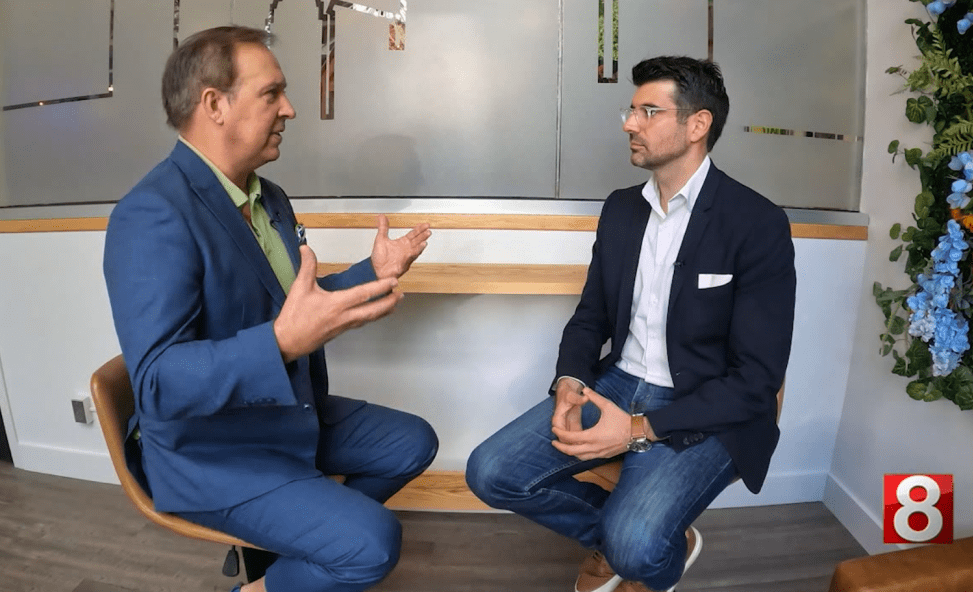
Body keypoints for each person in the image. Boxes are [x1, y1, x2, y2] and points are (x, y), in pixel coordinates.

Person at [103, 26, 438, 592]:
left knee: (414, 442)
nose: (290, 108)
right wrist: (280, 344)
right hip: (211, 453)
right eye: (271, 93)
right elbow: (157, 383)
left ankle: (293, 547)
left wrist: (372, 272)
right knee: (373, 543)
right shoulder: (152, 214)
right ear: (215, 105)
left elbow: (292, 304)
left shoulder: (269, 197)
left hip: (283, 413)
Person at [467, 56, 796, 592]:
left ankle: (642, 550)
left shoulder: (757, 222)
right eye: (631, 110)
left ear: (697, 124)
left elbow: (756, 380)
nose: (629, 124)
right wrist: (570, 382)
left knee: (638, 547)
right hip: (618, 382)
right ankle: (633, 541)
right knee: (489, 472)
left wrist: (638, 429)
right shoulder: (621, 209)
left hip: (706, 402)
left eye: (648, 111)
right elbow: (591, 316)